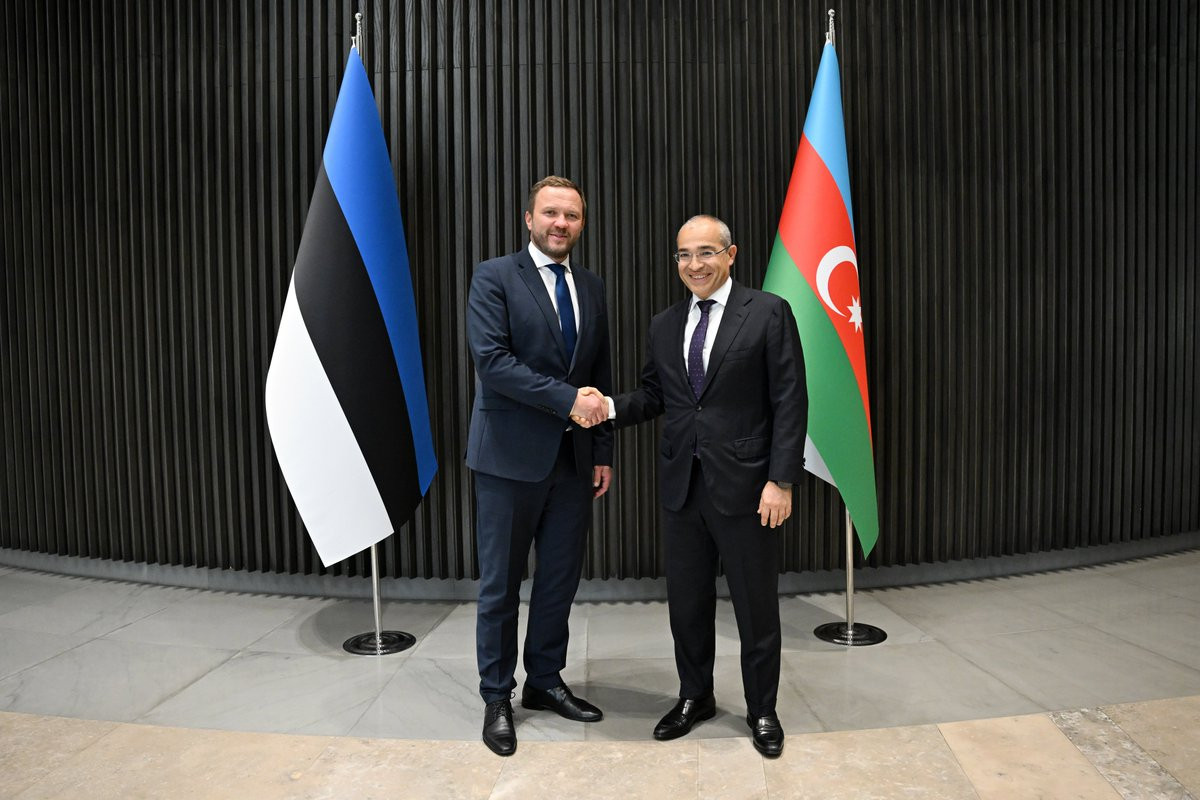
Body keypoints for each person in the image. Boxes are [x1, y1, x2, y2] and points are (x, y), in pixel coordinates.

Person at [579, 214, 806, 757]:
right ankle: (695, 696)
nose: (694, 264)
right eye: (684, 254)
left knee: (755, 606)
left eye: (706, 252)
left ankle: (762, 708)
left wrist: (780, 480)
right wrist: (607, 406)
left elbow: (790, 400)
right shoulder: (664, 323)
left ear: (731, 255)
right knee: (686, 604)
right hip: (682, 486)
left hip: (749, 487)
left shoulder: (768, 312)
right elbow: (655, 396)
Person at [465, 176, 613, 757]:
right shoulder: (494, 276)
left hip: (574, 462)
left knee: (559, 580)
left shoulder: (592, 286)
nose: (560, 223)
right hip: (507, 460)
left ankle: (545, 680)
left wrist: (602, 451)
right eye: (550, 213)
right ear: (529, 219)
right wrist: (568, 400)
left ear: (581, 224)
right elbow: (492, 362)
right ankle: (496, 695)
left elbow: (599, 371)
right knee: (501, 585)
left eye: (571, 215)